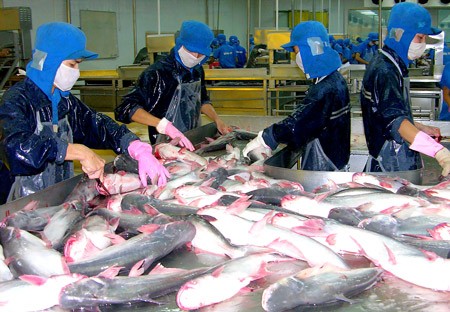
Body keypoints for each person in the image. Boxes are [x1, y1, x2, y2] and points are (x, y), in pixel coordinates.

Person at [0, 22, 170, 201]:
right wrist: (78, 151)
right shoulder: (17, 99)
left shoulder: (64, 101)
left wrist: (134, 146)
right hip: (21, 201)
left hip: (58, 196)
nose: (77, 72)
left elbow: (96, 124)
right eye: (72, 64)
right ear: (50, 61)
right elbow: (16, 147)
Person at [243, 21, 351, 172]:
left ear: (311, 48)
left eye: (296, 51)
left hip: (324, 169)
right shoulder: (333, 79)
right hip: (333, 161)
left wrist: (267, 138)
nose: (296, 57)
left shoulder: (326, 87)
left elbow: (299, 124)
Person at [360, 2, 450, 177]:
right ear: (400, 35)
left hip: (394, 158)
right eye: (420, 37)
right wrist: (440, 153)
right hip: (390, 164)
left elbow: (385, 112)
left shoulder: (392, 64)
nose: (423, 44)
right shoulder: (385, 70)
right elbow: (395, 122)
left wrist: (419, 127)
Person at [115, 20, 230, 148]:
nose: (196, 56)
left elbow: (201, 100)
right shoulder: (157, 73)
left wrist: (217, 119)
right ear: (180, 44)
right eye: (191, 51)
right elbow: (126, 109)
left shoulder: (197, 69)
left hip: (193, 136)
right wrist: (163, 125)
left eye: (201, 53)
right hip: (165, 142)